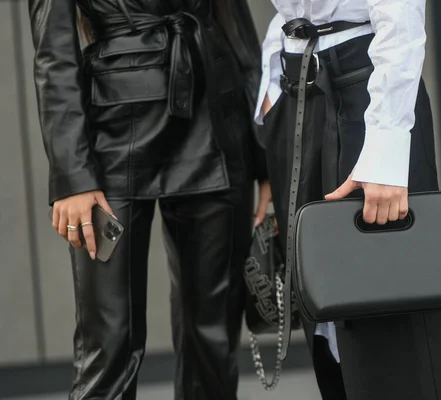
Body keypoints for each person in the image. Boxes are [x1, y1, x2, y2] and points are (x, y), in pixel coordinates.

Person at [28, 0, 269, 398]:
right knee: (107, 347)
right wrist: (72, 177)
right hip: (108, 148)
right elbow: (53, 57)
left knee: (212, 346)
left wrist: (262, 157)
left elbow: (237, 30)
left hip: (215, 129)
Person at [256, 1, 441, 399]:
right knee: (324, 316)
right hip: (297, 95)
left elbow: (399, 12)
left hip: (366, 97)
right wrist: (270, 93)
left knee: (392, 317)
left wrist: (386, 144)